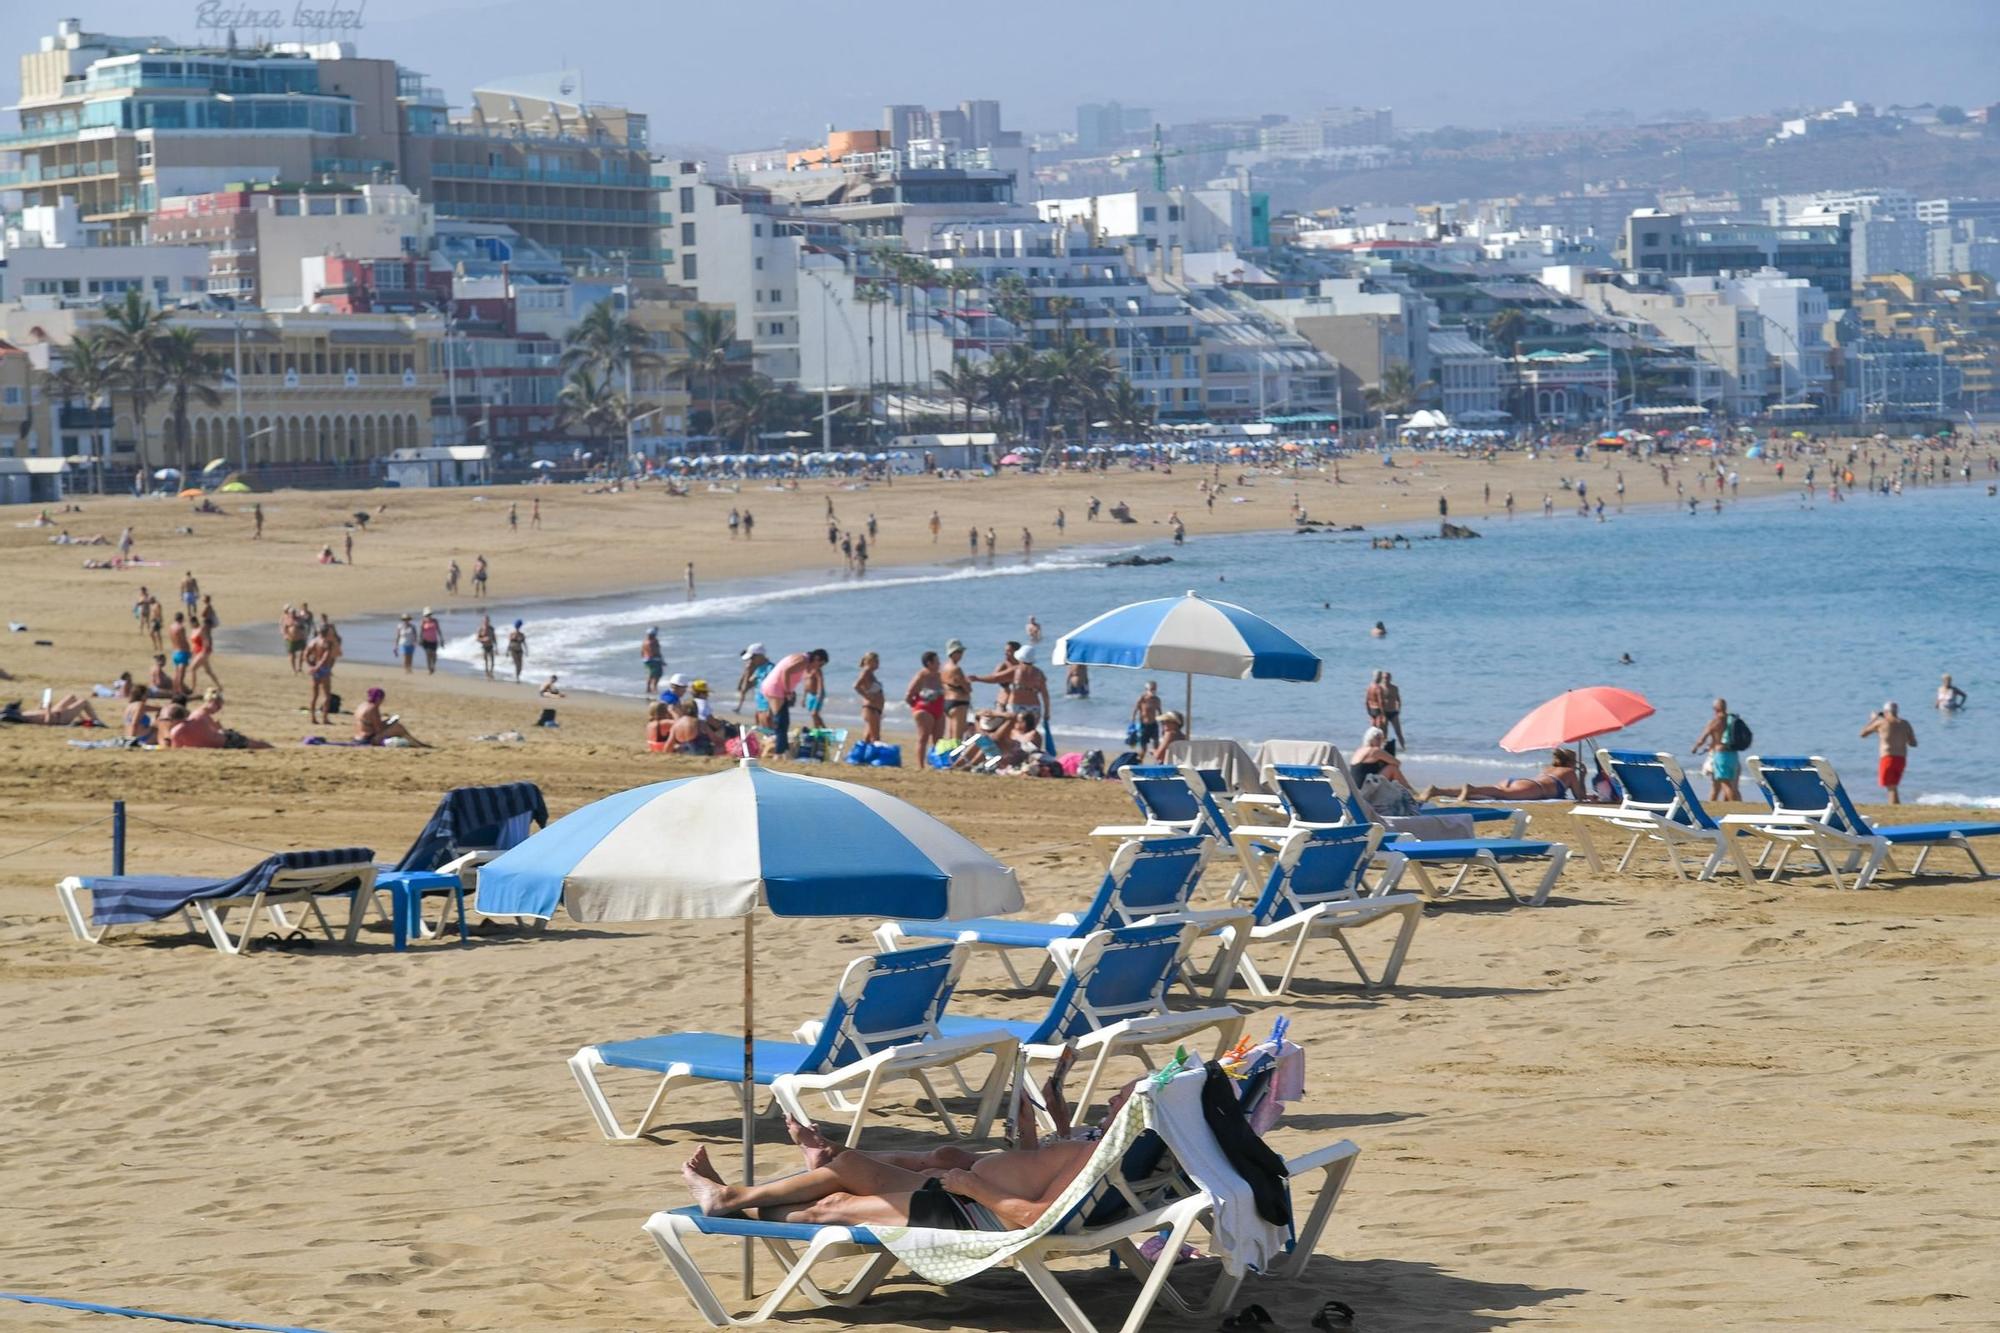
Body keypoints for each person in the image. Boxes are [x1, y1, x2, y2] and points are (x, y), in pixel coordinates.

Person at [681, 1082, 1140, 1232]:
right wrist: (1025, 1130)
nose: (1113, 1095)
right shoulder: (1099, 1147)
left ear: (1133, 1113)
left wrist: (971, 1183)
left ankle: (730, 1202)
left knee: (831, 1207)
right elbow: (1037, 1174)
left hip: (968, 1209)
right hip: (963, 1192)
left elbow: (1035, 1216)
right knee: (848, 1166)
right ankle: (735, 1195)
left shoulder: (1094, 1157)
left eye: (1121, 1096)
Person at [1422, 748, 1582, 802]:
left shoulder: (1549, 769)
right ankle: (1470, 788)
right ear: (1570, 762)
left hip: (1521, 781)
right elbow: (1579, 796)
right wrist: (1583, 775)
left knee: (1495, 791)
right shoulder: (1569, 772)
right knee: (1500, 793)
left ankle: (1437, 790)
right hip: (1533, 788)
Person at [1861, 702, 1917, 804]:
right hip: (1901, 759)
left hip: (1888, 757)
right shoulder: (1905, 723)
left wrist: (1874, 719)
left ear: (1886, 712)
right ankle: (1896, 807)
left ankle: (1894, 807)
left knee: (1891, 787)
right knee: (1893, 786)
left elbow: (1863, 734)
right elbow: (1913, 743)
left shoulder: (1881, 723)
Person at [1691, 697, 1745, 803]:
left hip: (1721, 755)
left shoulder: (1715, 721)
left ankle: (1736, 805)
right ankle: (1715, 804)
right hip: (1733, 755)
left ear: (1715, 709)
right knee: (1727, 784)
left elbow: (1702, 738)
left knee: (1724, 783)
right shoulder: (1732, 720)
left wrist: (1695, 748)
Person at [353, 687, 429, 747]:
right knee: (398, 727)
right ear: (379, 698)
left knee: (395, 726)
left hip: (357, 738)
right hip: (369, 739)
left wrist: (387, 722)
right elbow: (378, 730)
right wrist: (389, 723)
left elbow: (370, 725)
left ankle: (416, 743)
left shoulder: (362, 705)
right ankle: (417, 743)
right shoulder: (373, 708)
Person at [905, 650, 946, 756]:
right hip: (924, 708)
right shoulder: (921, 676)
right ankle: (920, 765)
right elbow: (908, 695)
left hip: (939, 708)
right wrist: (917, 707)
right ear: (929, 663)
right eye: (937, 661)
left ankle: (937, 762)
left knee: (939, 740)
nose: (939, 664)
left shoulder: (940, 676)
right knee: (924, 737)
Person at [304, 623, 340, 724]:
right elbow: (325, 657)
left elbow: (306, 654)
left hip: (316, 668)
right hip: (323, 669)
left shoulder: (313, 641)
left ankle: (313, 718)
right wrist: (316, 667)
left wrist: (311, 665)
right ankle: (324, 718)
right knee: (327, 695)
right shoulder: (327, 642)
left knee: (315, 695)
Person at [940, 639, 974, 741]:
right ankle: (955, 756)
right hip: (958, 702)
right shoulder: (956, 669)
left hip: (947, 701)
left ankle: (947, 755)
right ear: (953, 653)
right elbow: (967, 689)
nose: (962, 655)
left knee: (949, 735)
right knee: (957, 738)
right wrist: (968, 682)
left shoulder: (944, 667)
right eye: (959, 652)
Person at [854, 651, 885, 744]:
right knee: (875, 737)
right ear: (870, 661)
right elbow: (856, 686)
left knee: (868, 737)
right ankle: (872, 756)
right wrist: (867, 696)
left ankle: (863, 756)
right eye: (876, 661)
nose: (878, 663)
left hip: (875, 708)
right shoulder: (866, 671)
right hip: (871, 708)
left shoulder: (870, 673)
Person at [735, 644, 772, 714]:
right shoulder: (757, 668)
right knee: (746, 693)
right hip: (761, 707)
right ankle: (739, 707)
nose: (751, 660)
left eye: (752, 658)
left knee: (743, 693)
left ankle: (739, 707)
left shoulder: (769, 668)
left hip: (767, 708)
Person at [1131, 681, 1164, 751]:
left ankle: (1156, 761)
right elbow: (1135, 710)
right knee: (1144, 748)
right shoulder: (1142, 699)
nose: (1153, 691)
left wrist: (1163, 726)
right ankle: (1140, 760)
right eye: (1151, 689)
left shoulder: (1157, 700)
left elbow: (1160, 713)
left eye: (1155, 689)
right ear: (1146, 689)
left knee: (1156, 745)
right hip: (1143, 725)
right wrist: (1133, 723)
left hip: (1153, 725)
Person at [166, 612, 193, 694]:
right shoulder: (181, 628)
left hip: (175, 651)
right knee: (181, 675)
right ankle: (180, 691)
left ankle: (175, 690)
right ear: (182, 619)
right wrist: (189, 651)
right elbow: (184, 640)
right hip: (182, 651)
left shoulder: (171, 627)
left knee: (176, 673)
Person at [641, 628, 665, 697]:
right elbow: (656, 651)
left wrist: (644, 658)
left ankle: (648, 688)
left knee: (651, 674)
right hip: (654, 659)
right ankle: (654, 688)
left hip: (646, 660)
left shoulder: (644, 642)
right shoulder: (654, 642)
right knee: (658, 674)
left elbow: (642, 652)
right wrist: (661, 660)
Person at [475, 614, 498, 680]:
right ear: (483, 621)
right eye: (485, 620)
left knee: (493, 661)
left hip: (491, 646)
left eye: (487, 620)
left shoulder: (491, 628)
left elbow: (494, 638)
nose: (486, 621)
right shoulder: (481, 629)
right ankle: (487, 673)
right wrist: (483, 639)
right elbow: (477, 638)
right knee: (486, 661)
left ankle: (491, 673)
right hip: (484, 646)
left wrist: (496, 648)